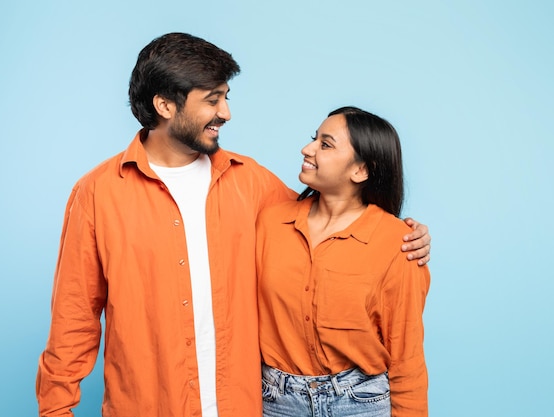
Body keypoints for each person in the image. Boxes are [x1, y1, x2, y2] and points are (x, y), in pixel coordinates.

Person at [36, 33, 431, 417]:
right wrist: (55, 410)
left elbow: (330, 220)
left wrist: (407, 235)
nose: (226, 113)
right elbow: (74, 320)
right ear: (165, 105)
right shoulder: (97, 193)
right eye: (213, 100)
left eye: (226, 97)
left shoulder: (252, 182)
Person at [257, 106, 430, 417]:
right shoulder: (269, 224)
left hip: (360, 403)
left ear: (361, 170)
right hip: (275, 402)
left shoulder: (397, 243)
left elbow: (407, 355)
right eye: (314, 139)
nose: (306, 149)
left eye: (325, 144)